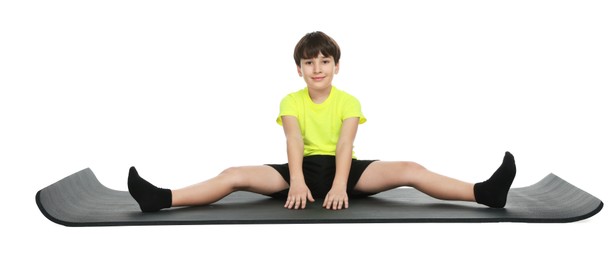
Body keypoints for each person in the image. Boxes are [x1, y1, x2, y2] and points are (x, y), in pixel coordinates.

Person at [127, 31, 516, 212]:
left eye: (324, 61)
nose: (317, 68)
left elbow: (345, 146)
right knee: (232, 174)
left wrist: (340, 186)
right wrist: (295, 180)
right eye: (309, 62)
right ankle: (160, 198)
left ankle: (484, 193)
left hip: (345, 170)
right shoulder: (290, 99)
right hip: (300, 170)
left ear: (336, 66)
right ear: (299, 69)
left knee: (411, 169)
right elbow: (293, 142)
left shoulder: (349, 100)